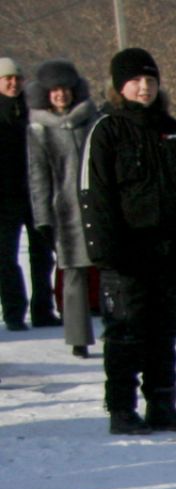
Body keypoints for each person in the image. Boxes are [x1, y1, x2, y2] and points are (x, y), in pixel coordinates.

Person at [79, 47, 176, 434]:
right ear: (119, 86)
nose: (144, 87)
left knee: (164, 330)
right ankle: (122, 408)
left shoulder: (173, 131)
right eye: (135, 81)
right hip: (124, 250)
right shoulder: (107, 130)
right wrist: (104, 250)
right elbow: (94, 195)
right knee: (126, 331)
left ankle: (162, 403)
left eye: (150, 80)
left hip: (166, 247)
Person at [26, 60, 99, 357]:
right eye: (54, 90)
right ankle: (78, 337)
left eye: (65, 89)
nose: (60, 95)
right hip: (65, 210)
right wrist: (42, 217)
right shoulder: (39, 128)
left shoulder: (92, 119)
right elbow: (38, 176)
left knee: (112, 271)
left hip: (98, 204)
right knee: (73, 274)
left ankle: (122, 328)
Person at [1, 55, 57, 330]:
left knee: (43, 255)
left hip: (35, 192)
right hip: (5, 196)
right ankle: (14, 312)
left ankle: (43, 309)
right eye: (7, 79)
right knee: (6, 258)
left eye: (17, 78)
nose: (13, 83)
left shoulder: (33, 109)